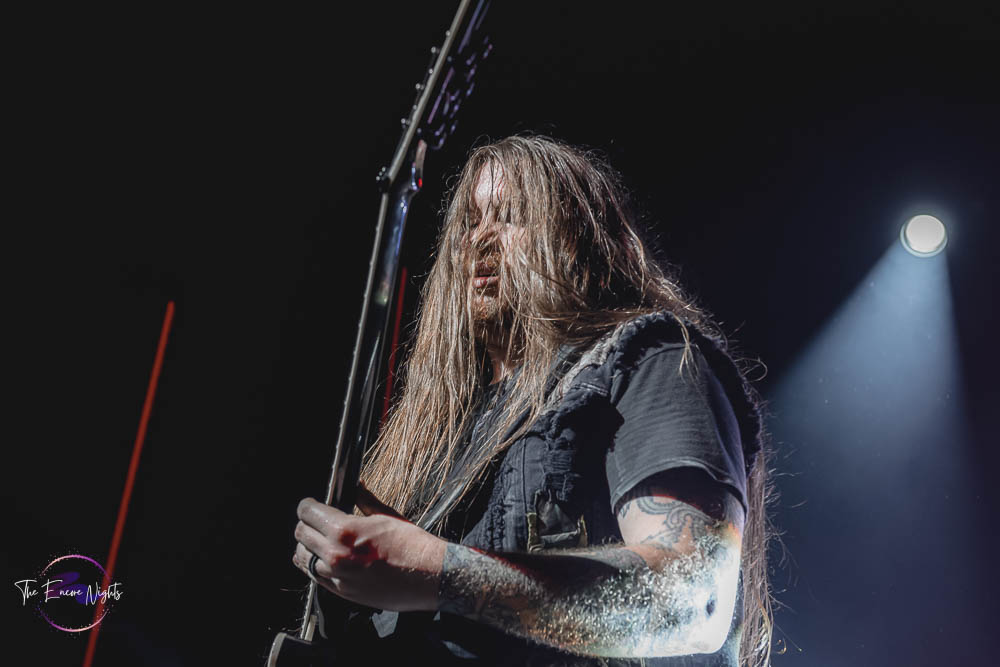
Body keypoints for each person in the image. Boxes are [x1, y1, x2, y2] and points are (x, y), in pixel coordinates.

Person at [292, 136, 773, 666]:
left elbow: (691, 601)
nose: (481, 238)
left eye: (510, 216)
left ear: (578, 239)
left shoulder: (648, 361)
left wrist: (435, 568)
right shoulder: (458, 432)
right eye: (471, 221)